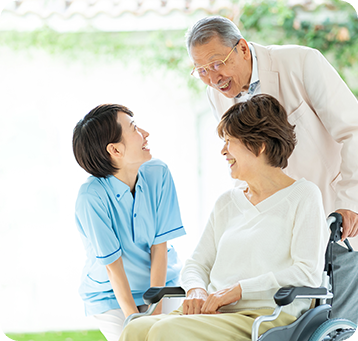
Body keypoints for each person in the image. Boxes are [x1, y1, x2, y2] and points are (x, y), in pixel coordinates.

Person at [119, 94, 329, 341]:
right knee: (135, 328)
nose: (223, 151)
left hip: (267, 316)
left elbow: (306, 272)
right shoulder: (227, 202)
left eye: (229, 141)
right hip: (215, 313)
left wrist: (238, 290)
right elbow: (198, 264)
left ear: (258, 145)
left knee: (166, 331)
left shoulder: (303, 196)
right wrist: (196, 289)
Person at [185, 15, 358, 244]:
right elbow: (243, 162)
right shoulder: (216, 95)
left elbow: (353, 129)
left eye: (217, 64)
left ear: (243, 48)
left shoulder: (301, 62)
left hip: (335, 209)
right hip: (280, 227)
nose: (213, 79)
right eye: (202, 70)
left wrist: (349, 201)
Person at [72, 104, 186, 341]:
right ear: (115, 150)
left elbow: (159, 247)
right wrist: (136, 323)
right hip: (110, 296)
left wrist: (154, 313)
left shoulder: (158, 173)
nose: (145, 133)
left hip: (162, 284)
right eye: (134, 128)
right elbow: (114, 270)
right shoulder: (91, 197)